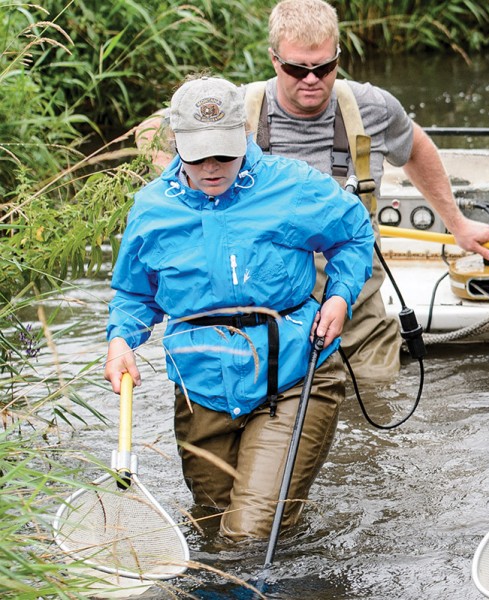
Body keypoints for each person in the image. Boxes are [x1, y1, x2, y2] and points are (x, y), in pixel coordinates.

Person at [135, 0, 489, 383]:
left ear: (338, 57)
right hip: (272, 320)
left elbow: (417, 148)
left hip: (357, 311)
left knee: (377, 410)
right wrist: (194, 195)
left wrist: (457, 224)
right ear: (274, 60)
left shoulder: (372, 108)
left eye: (324, 67)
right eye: (297, 68)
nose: (312, 79)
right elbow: (149, 132)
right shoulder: (236, 111)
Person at [105, 76, 375, 541]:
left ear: (245, 136)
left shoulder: (292, 187)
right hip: (201, 391)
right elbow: (134, 296)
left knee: (248, 537)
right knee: (211, 532)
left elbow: (354, 232)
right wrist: (119, 342)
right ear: (176, 144)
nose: (212, 167)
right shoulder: (152, 211)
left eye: (225, 153)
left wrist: (339, 295)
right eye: (198, 155)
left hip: (292, 375)